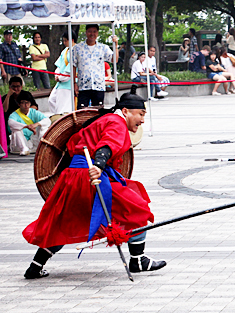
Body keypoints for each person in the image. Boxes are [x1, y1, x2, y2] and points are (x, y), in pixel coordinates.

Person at [22, 88, 167, 279]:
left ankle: (35, 266)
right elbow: (107, 145)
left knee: (66, 221)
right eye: (140, 114)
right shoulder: (116, 123)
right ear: (125, 111)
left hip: (73, 177)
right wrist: (98, 165)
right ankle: (138, 259)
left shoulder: (104, 120)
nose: (142, 120)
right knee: (136, 206)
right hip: (90, 177)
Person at [72, 24, 119, 109]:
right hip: (83, 86)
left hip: (98, 86)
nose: (92, 34)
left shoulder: (103, 47)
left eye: (94, 32)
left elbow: (114, 60)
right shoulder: (77, 48)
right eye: (90, 31)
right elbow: (73, 65)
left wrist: (116, 46)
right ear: (86, 32)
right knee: (82, 112)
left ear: (97, 33)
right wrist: (74, 83)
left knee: (98, 111)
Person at [8, 91, 50, 155]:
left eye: (27, 102)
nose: (26, 105)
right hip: (20, 143)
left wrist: (36, 124)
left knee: (42, 127)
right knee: (16, 131)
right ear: (19, 104)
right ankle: (24, 149)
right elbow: (11, 123)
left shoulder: (34, 112)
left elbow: (47, 120)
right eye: (23, 103)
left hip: (33, 141)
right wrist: (26, 126)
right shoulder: (14, 114)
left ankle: (42, 147)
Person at [2, 77, 38, 144]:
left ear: (21, 87)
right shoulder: (5, 97)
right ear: (10, 87)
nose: (16, 89)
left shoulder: (26, 94)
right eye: (13, 87)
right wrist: (8, 96)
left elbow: (35, 106)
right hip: (13, 121)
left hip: (25, 118)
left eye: (18, 86)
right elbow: (4, 110)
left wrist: (25, 110)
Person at [49, 31, 76, 114]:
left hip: (67, 82)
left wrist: (60, 78)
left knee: (63, 107)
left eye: (65, 41)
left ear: (71, 40)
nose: (64, 43)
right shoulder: (65, 51)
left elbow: (71, 69)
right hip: (60, 82)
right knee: (51, 100)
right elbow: (59, 65)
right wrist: (57, 75)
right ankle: (56, 119)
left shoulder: (75, 51)